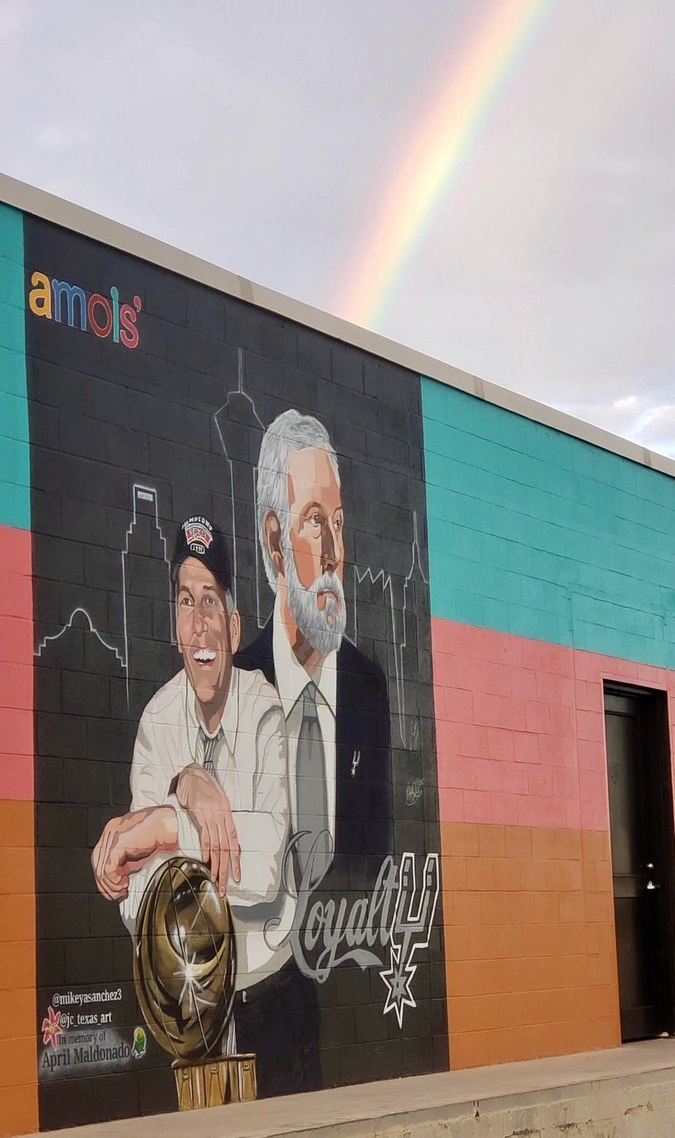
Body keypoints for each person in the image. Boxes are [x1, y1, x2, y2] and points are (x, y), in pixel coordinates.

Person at [91, 515, 316, 1096]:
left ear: (234, 626)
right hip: (188, 1010)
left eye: (211, 602)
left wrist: (166, 827)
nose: (200, 625)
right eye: (186, 602)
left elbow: (265, 867)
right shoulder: (157, 723)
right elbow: (137, 898)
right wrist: (185, 788)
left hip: (271, 1003)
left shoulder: (265, 710)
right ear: (175, 625)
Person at [235, 409, 391, 894]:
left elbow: (374, 864)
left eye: (339, 522)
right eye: (315, 521)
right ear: (275, 540)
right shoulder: (236, 688)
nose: (334, 552)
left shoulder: (369, 688)